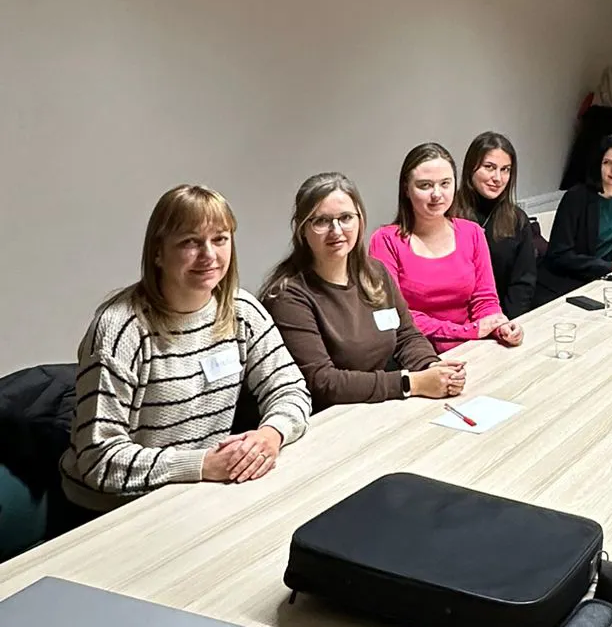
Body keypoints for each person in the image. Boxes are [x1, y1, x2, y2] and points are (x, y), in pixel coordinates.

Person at [60, 185, 311, 515]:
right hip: (113, 509)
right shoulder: (121, 329)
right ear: (158, 253)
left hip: (195, 491)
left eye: (220, 239)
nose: (209, 255)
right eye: (190, 242)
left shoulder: (241, 311)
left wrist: (270, 435)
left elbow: (291, 389)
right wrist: (202, 464)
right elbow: (99, 460)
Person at [263, 173, 466, 412]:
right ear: (302, 229)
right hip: (331, 419)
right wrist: (411, 383)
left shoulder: (376, 273)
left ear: (360, 220)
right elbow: (322, 381)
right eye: (321, 221)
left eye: (346, 218)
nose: (336, 230)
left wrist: (430, 367)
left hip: (377, 406)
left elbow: (406, 335)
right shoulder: (287, 297)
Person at [369, 144, 522, 353]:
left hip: (473, 346)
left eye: (445, 184)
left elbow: (485, 300)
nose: (437, 194)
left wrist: (499, 326)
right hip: (416, 351)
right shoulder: (386, 240)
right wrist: (468, 331)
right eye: (425, 185)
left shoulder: (472, 232)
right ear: (406, 189)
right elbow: (395, 314)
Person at [535, 135, 612, 302]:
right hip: (576, 284)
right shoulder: (576, 198)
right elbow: (559, 255)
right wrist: (608, 266)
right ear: (597, 164)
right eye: (607, 163)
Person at [456, 132, 538, 320]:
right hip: (456, 323)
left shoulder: (517, 219)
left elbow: (523, 284)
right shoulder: (448, 213)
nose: (498, 178)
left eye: (505, 170)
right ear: (471, 168)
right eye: (489, 167)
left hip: (503, 320)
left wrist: (505, 324)